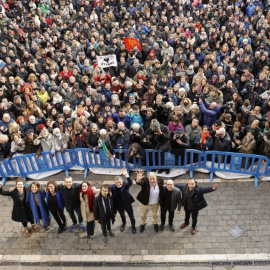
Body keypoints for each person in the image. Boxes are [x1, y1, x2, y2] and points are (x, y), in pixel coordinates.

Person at [111, 168, 136, 234]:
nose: (118, 184)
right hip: (119, 205)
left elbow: (130, 182)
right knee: (122, 215)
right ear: (114, 182)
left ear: (122, 181)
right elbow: (106, 190)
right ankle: (124, 224)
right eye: (117, 183)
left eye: (119, 182)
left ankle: (133, 226)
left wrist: (126, 175)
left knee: (131, 216)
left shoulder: (125, 184)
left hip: (127, 204)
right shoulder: (112, 187)